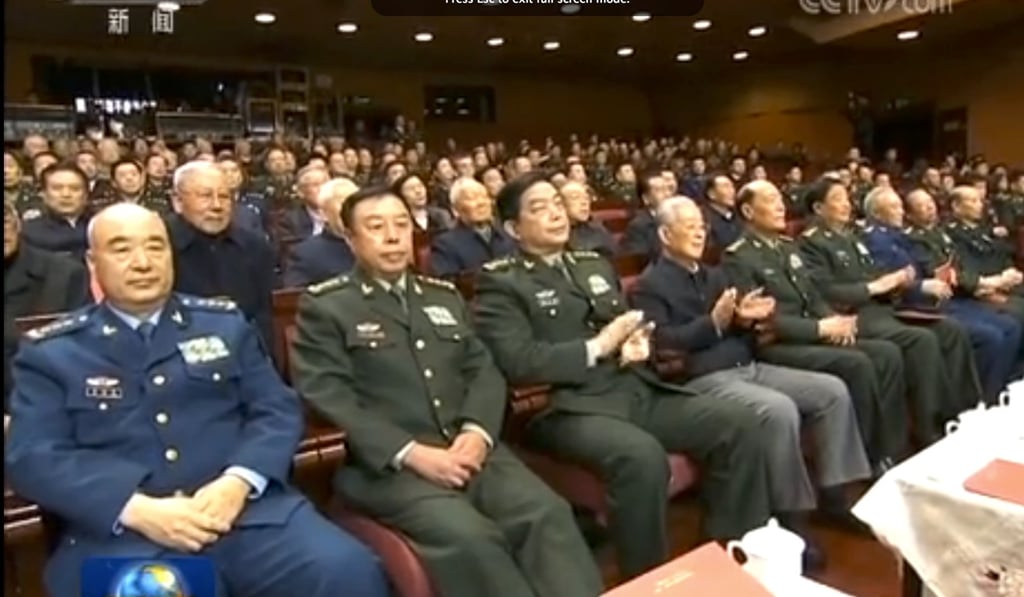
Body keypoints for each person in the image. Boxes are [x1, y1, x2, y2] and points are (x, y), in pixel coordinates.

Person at [4, 203, 389, 597]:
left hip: (247, 516)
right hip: (127, 534)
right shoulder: (53, 352)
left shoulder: (223, 324)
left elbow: (275, 409)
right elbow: (33, 455)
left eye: (156, 247)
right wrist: (135, 509)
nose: (143, 262)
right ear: (92, 261)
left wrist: (237, 483)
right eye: (122, 249)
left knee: (347, 570)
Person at [290, 186, 603, 597]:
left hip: (468, 448)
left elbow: (483, 369)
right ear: (350, 239)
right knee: (471, 538)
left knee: (546, 513)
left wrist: (477, 433)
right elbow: (327, 393)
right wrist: (411, 452)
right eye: (376, 227)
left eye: (401, 225)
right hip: (390, 467)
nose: (392, 236)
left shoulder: (442, 296)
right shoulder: (327, 306)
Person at [474, 171, 773, 579]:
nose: (555, 214)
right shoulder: (500, 281)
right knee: (641, 457)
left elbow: (623, 326)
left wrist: (637, 344)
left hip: (632, 387)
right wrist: (598, 347)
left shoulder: (591, 264)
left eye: (557, 204)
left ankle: (727, 555)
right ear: (512, 227)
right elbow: (518, 360)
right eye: (539, 208)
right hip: (563, 407)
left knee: (739, 424)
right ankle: (647, 579)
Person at [630, 197, 871, 565]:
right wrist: (713, 323)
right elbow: (662, 344)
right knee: (778, 411)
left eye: (702, 225)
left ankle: (835, 497)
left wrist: (745, 318)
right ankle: (791, 521)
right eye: (689, 224)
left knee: (831, 391)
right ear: (665, 234)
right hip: (702, 378)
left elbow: (739, 326)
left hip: (748, 365)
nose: (700, 231)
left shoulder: (714, 274)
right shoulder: (649, 285)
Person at [722, 181, 909, 468]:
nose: (781, 205)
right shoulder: (738, 257)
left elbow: (812, 295)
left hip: (811, 332)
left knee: (887, 353)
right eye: (771, 199)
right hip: (779, 344)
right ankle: (870, 460)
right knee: (857, 364)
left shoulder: (787, 247)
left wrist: (834, 320)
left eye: (780, 198)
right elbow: (760, 321)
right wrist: (821, 329)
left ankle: (892, 448)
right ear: (748, 210)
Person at [798, 178, 982, 442]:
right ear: (818, 208)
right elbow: (825, 291)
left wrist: (898, 281)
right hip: (854, 312)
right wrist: (875, 287)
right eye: (838, 198)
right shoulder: (811, 244)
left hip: (884, 306)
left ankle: (965, 411)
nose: (847, 204)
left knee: (950, 329)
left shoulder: (850, 238)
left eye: (847, 198)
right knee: (922, 340)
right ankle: (930, 427)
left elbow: (876, 275)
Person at [863, 187, 1021, 404]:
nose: (900, 211)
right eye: (894, 207)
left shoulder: (910, 235)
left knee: (1010, 326)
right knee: (991, 335)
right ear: (878, 214)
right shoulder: (878, 239)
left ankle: (1001, 392)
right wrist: (923, 286)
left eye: (900, 206)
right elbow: (897, 278)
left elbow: (949, 267)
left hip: (942, 296)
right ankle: (983, 400)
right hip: (918, 304)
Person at [167, 162, 277, 351]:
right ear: (177, 201)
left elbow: (264, 318)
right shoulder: (158, 246)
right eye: (205, 196)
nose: (217, 205)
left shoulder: (254, 246)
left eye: (225, 196)